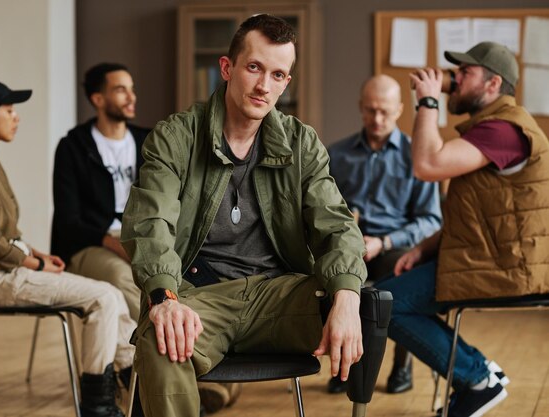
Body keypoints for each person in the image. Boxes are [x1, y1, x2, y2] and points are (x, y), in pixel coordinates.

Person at [121, 14, 367, 417]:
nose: (263, 86)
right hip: (200, 298)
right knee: (161, 335)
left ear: (287, 82)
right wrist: (164, 297)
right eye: (254, 67)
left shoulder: (301, 143)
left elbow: (337, 226)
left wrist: (346, 297)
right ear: (227, 68)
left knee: (366, 306)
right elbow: (150, 223)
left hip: (277, 297)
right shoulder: (176, 137)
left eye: (277, 74)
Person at [0, 78, 137, 417]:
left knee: (109, 295)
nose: (16, 117)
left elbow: (2, 233)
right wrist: (34, 265)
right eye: (9, 110)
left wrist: (36, 254)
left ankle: (135, 386)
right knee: (104, 297)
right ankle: (99, 405)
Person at [376, 41, 549, 417]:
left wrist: (426, 101)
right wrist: (426, 247)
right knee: (383, 299)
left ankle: (476, 379)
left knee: (381, 306)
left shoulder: (504, 130)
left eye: (464, 73)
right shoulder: (491, 129)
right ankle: (480, 374)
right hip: (489, 255)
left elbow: (427, 165)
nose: (453, 79)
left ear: (492, 84)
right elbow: (480, 214)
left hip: (508, 266)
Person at [327, 74, 442, 394]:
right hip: (349, 246)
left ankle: (401, 366)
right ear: (360, 108)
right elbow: (320, 210)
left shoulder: (416, 155)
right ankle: (344, 366)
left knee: (403, 283)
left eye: (385, 112)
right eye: (370, 110)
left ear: (400, 110)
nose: (377, 119)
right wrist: (346, 230)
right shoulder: (336, 155)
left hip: (395, 246)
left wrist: (384, 242)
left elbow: (431, 220)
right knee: (337, 281)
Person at [51, 63, 149, 322]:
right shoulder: (74, 147)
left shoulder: (148, 142)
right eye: (120, 90)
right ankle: (163, 346)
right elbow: (68, 220)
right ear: (98, 99)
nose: (131, 97)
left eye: (132, 89)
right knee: (121, 277)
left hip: (140, 237)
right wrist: (113, 244)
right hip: (90, 244)